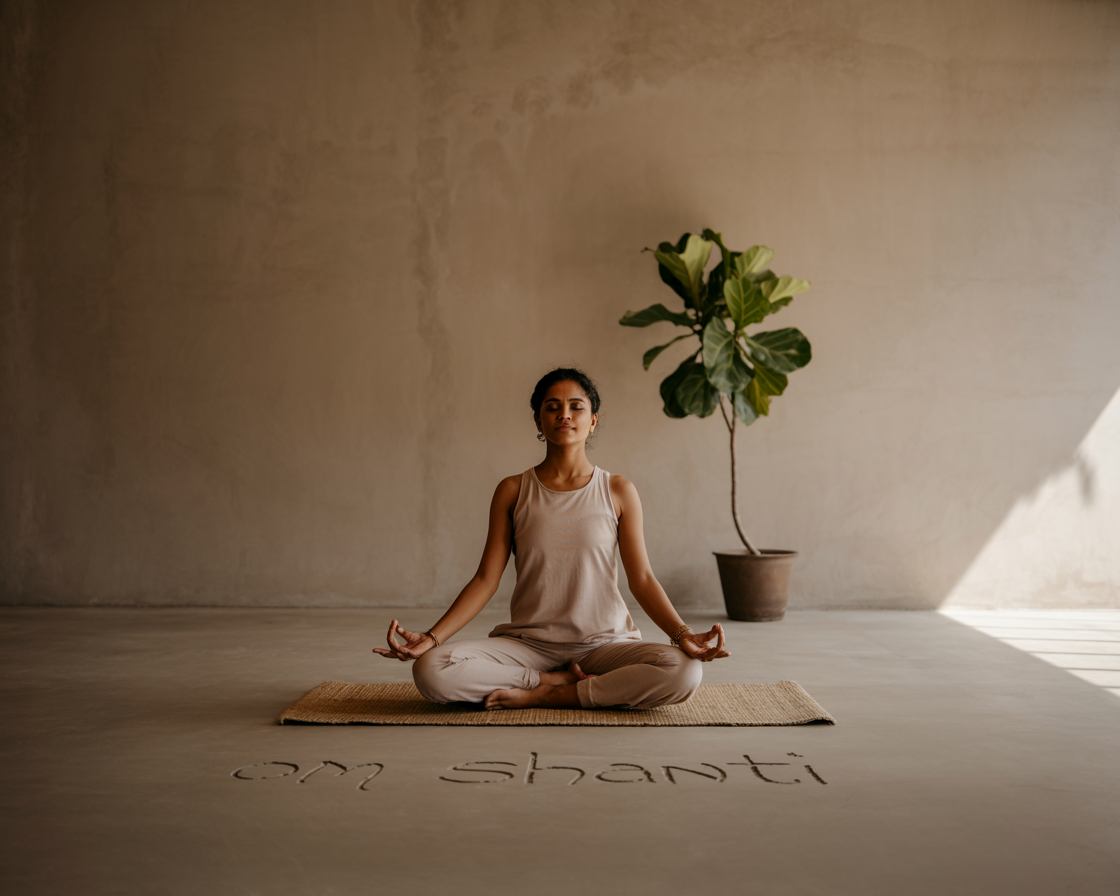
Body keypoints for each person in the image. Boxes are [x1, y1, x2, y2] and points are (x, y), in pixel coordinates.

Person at [373, 367, 729, 710]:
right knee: (431, 669)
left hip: (605, 645)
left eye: (577, 406)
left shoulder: (618, 490)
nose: (565, 415)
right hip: (528, 645)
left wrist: (682, 635)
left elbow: (643, 579)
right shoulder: (512, 490)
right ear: (538, 421)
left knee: (685, 671)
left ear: (593, 420)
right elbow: (485, 580)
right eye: (552, 407)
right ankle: (549, 681)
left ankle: (552, 696)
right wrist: (432, 638)